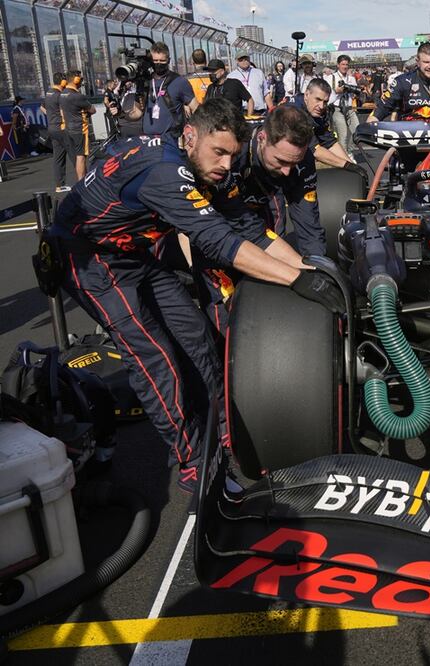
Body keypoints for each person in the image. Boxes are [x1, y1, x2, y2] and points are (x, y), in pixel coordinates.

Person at [44, 98, 343, 493]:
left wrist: (311, 272)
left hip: (132, 251)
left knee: (197, 336)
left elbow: (249, 230)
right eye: (218, 152)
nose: (226, 164)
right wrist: (297, 281)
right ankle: (195, 467)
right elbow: (219, 241)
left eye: (231, 155)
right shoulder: (166, 172)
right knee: (156, 358)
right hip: (87, 258)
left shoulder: (204, 167)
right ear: (189, 136)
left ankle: (225, 432)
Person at [192, 104, 326, 334]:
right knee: (226, 304)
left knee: (276, 275)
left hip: (257, 210)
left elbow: (309, 224)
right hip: (212, 216)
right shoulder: (231, 149)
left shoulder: (301, 159)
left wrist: (319, 273)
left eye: (294, 162)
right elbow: (204, 227)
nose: (287, 171)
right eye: (281, 161)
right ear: (262, 138)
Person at [291, 78, 365, 172]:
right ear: (306, 95)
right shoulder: (294, 113)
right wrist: (346, 165)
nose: (321, 106)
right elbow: (315, 151)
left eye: (325, 102)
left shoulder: (317, 111)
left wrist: (351, 165)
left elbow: (329, 142)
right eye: (317, 99)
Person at [369, 42, 430, 124]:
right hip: (409, 128)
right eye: (426, 62)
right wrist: (368, 126)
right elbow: (381, 109)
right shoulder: (403, 81)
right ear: (418, 62)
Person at [144, 42, 197, 136]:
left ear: (168, 60)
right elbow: (136, 114)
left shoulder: (179, 82)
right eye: (155, 61)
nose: (158, 64)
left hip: (171, 138)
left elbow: (195, 108)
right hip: (148, 138)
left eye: (162, 61)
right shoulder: (146, 82)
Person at [59, 70, 95, 181]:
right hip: (80, 129)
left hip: (68, 129)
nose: (81, 82)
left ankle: (83, 179)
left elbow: (61, 111)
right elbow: (92, 110)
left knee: (77, 157)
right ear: (76, 80)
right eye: (80, 79)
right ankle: (81, 182)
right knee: (81, 157)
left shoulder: (62, 94)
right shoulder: (77, 96)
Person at [325, 54, 360, 154]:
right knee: (343, 135)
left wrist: (354, 92)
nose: (345, 66)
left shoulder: (351, 78)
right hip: (337, 108)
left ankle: (349, 152)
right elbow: (327, 94)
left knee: (357, 132)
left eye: (346, 64)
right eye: (343, 64)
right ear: (338, 65)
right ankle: (344, 157)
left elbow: (355, 93)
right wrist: (336, 91)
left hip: (349, 108)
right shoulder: (331, 78)